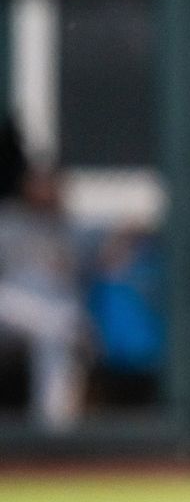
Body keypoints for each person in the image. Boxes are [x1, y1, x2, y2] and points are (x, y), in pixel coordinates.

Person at [0, 166, 87, 432]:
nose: (43, 191)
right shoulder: (9, 219)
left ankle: (52, 433)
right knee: (58, 326)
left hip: (55, 315)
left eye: (49, 185)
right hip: (10, 309)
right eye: (38, 184)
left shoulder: (72, 226)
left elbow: (104, 260)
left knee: (57, 333)